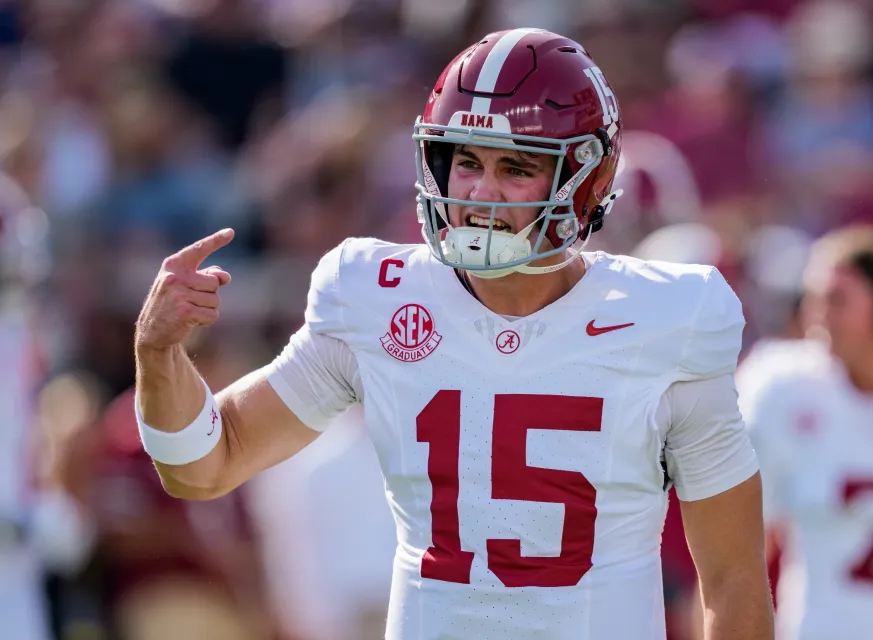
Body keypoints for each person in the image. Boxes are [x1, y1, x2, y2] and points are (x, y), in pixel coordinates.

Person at [133, 28, 773, 640]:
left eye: (517, 168)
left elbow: (733, 577)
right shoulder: (375, 297)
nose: (480, 194)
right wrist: (158, 354)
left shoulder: (669, 317)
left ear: (588, 180)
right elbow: (205, 465)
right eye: (465, 161)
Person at [738, 225, 873, 640]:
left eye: (836, 300)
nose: (816, 315)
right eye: (813, 299)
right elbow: (736, 552)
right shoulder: (782, 391)